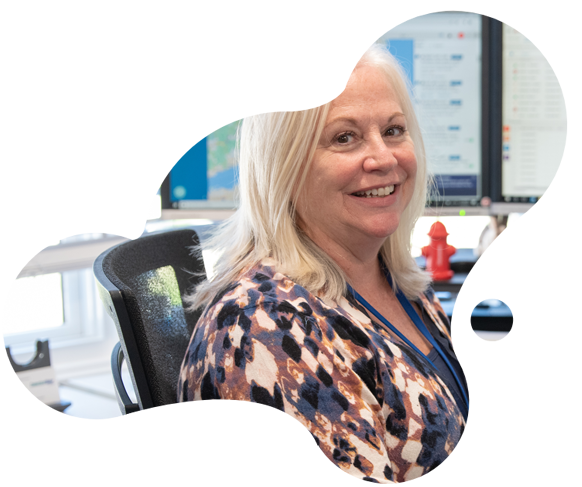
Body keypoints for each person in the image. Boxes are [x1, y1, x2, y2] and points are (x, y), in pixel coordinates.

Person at [177, 34, 567, 483]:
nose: (383, 157)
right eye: (345, 138)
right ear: (284, 164)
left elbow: (468, 468)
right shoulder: (267, 326)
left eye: (394, 130)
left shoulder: (394, 281)